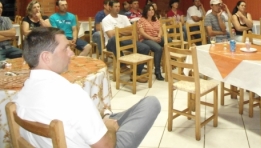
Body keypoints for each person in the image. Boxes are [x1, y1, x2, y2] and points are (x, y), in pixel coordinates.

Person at [15, 27, 160, 147]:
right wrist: (109, 129)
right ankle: (105, 120)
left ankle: (105, 118)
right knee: (151, 103)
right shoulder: (71, 94)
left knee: (113, 115)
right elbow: (105, 146)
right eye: (65, 48)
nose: (71, 53)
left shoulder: (22, 94)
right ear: (46, 57)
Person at [102, 0, 150, 83]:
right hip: (111, 44)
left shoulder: (123, 17)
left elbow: (131, 31)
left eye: (118, 6)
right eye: (115, 6)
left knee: (145, 48)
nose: (117, 8)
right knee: (114, 39)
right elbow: (111, 35)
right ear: (110, 7)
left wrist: (117, 31)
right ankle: (122, 64)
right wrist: (123, 31)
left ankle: (136, 74)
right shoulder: (106, 20)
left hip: (125, 41)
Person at [137, 4, 164, 81]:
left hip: (155, 37)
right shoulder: (141, 20)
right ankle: (157, 72)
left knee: (168, 41)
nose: (152, 11)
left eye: (153, 9)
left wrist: (159, 36)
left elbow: (160, 29)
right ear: (146, 11)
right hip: (146, 39)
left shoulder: (155, 19)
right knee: (158, 49)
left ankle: (169, 64)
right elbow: (142, 33)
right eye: (149, 10)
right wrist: (153, 39)